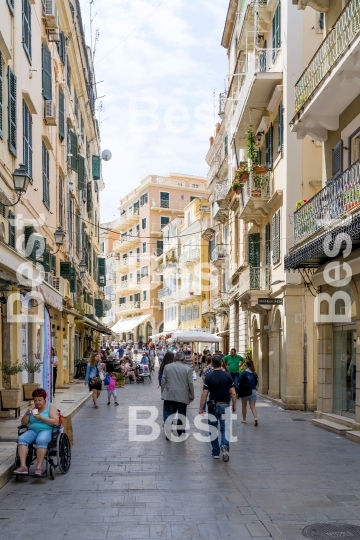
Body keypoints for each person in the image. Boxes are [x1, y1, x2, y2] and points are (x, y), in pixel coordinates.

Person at [14, 388, 60, 475]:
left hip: (46, 430)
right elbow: (23, 423)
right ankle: (23, 466)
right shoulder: (32, 408)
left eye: (40, 400)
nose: (38, 402)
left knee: (41, 440)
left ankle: (38, 467)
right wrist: (28, 412)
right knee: (21, 439)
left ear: (44, 399)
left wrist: (41, 418)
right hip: (33, 431)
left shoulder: (50, 406)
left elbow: (56, 421)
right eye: (35, 400)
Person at [199, 355, 236, 462]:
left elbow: (204, 394)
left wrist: (201, 408)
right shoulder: (228, 376)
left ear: (212, 364)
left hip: (212, 405)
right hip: (225, 404)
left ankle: (215, 452)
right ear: (221, 363)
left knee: (213, 428)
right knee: (225, 428)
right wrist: (234, 404)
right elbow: (233, 393)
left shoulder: (209, 377)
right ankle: (224, 445)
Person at [161, 351, 194, 439]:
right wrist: (191, 395)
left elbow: (163, 381)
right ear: (183, 359)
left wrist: (163, 393)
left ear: (175, 359)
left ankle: (168, 431)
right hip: (183, 395)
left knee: (169, 414)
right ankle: (181, 432)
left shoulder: (167, 367)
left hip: (169, 394)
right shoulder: (187, 369)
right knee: (181, 415)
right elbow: (190, 383)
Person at [239, 360, 259, 426]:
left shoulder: (244, 373)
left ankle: (244, 419)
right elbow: (256, 383)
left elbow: (239, 380)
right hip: (253, 391)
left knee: (244, 406)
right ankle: (255, 418)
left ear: (246, 365)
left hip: (245, 391)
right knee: (252, 406)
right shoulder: (254, 373)